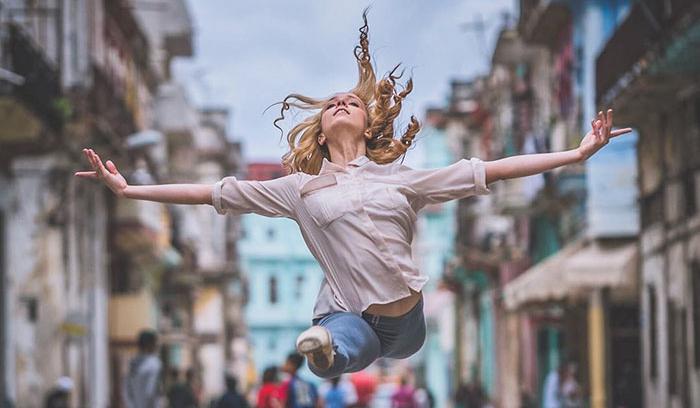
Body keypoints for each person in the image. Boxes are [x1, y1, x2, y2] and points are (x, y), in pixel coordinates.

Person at [75, 9, 631, 380]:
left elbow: (495, 169)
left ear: (367, 125)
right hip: (352, 317)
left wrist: (575, 154)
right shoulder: (297, 190)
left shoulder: (405, 179)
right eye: (332, 102)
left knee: (374, 339)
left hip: (407, 323)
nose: (341, 101)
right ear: (320, 129)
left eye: (352, 101)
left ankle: (329, 348)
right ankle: (323, 354)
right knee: (338, 342)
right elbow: (212, 193)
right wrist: (130, 190)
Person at [122, 329, 163, 408]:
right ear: (150, 344)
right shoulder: (154, 363)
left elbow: (126, 390)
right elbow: (151, 390)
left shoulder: (132, 363)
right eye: (155, 343)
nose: (156, 345)